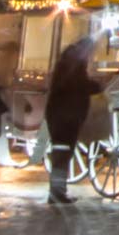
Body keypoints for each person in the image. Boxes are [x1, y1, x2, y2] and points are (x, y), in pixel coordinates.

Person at [44, 33, 103, 205]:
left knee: (61, 154)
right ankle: (56, 193)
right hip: (65, 115)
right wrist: (96, 86)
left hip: (59, 113)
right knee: (62, 154)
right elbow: (78, 85)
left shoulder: (70, 59)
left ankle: (57, 192)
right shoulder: (75, 63)